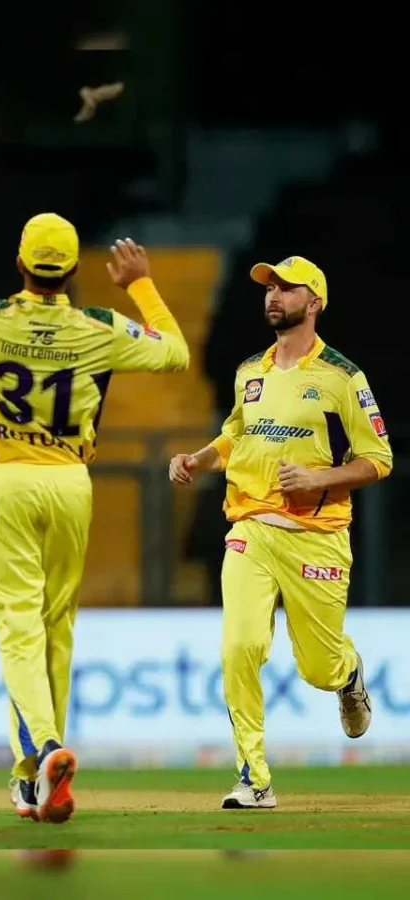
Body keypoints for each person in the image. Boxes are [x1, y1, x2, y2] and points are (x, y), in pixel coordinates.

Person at [0, 205, 189, 824]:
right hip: (72, 483)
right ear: (73, 270)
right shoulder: (101, 327)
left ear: (19, 261)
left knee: (19, 628)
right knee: (56, 629)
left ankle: (44, 749)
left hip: (8, 481)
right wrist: (140, 285)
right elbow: (176, 352)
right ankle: (33, 776)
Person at [169, 255, 391, 810]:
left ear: (314, 303)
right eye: (269, 287)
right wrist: (198, 459)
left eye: (287, 288)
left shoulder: (342, 377)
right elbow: (235, 435)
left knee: (318, 667)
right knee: (239, 646)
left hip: (317, 535)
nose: (273, 295)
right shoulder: (251, 370)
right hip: (250, 528)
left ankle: (347, 674)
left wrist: (320, 477)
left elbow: (379, 458)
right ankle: (254, 779)